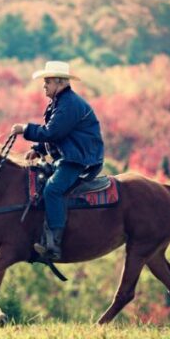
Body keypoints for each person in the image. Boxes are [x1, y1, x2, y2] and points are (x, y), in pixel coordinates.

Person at [11, 61, 104, 260]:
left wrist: (25, 129)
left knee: (52, 189)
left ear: (60, 83)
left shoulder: (69, 104)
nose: (44, 85)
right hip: (69, 157)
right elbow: (56, 135)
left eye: (48, 81)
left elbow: (53, 131)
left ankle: (54, 244)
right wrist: (37, 149)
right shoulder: (61, 102)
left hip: (78, 160)